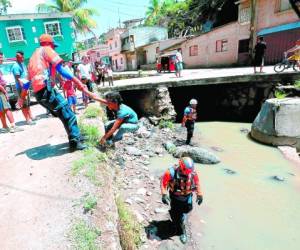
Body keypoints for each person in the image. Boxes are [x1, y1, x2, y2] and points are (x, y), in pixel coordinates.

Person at [17, 34, 97, 152]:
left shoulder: (33, 59)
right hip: (46, 91)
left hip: (39, 94)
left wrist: (21, 98)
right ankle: (75, 142)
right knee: (68, 113)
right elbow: (61, 69)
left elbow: (26, 83)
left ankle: (77, 136)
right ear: (49, 44)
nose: (54, 49)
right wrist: (78, 82)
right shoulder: (47, 49)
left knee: (64, 114)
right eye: (54, 46)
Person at [161, 157, 203, 244]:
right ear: (181, 166)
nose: (188, 174)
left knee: (188, 209)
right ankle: (182, 232)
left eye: (189, 172)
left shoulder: (193, 173)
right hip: (175, 198)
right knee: (177, 216)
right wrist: (164, 194)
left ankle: (180, 217)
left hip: (187, 196)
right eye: (186, 171)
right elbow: (163, 182)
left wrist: (199, 194)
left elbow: (197, 183)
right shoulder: (171, 172)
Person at [0, 52, 23, 133]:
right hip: (1, 92)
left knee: (1, 110)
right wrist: (5, 92)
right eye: (0, 57)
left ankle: (5, 127)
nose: (2, 59)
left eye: (2, 57)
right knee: (7, 109)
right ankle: (13, 126)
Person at [11, 51, 35, 125]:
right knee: (23, 103)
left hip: (25, 86)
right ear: (17, 57)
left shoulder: (22, 64)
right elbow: (18, 79)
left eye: (22, 57)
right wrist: (24, 89)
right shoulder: (16, 66)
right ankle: (27, 119)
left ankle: (30, 116)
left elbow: (26, 74)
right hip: (21, 87)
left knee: (27, 103)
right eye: (21, 57)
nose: (22, 58)